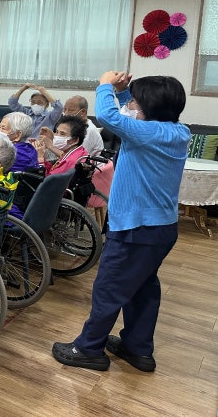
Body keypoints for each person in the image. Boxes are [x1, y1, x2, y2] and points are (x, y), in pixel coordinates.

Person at [52, 72, 190, 373]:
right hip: (160, 228)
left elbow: (108, 116)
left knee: (109, 288)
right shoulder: (177, 131)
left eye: (135, 102)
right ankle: (137, 348)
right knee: (142, 288)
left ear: (149, 107)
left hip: (136, 229)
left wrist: (105, 85)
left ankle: (88, 349)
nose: (131, 106)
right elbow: (135, 114)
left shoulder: (147, 132)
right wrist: (126, 92)